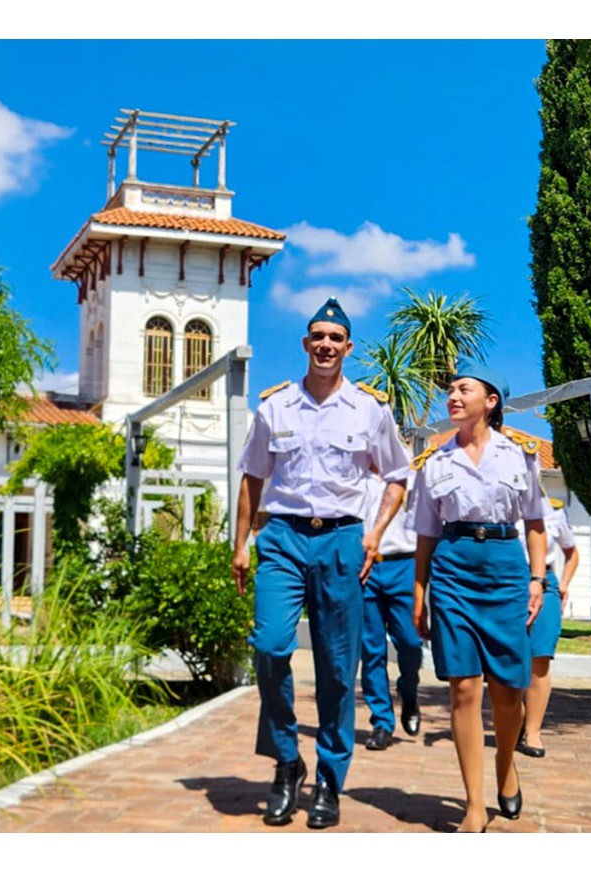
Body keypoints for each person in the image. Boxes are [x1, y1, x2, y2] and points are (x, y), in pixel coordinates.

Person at [232, 297, 411, 829]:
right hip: (283, 537)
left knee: (338, 667)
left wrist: (375, 535)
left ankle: (330, 779)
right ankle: (288, 760)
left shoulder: (370, 410)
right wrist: (241, 544)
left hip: (342, 541)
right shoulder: (275, 407)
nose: (326, 345)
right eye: (318, 336)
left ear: (348, 347)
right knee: (269, 646)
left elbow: (397, 476)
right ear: (306, 344)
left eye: (336, 338)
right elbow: (251, 479)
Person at [410, 359, 548, 833]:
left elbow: (534, 524)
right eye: (450, 389)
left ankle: (506, 766)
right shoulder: (434, 462)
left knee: (509, 689)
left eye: (463, 389)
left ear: (490, 402)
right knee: (464, 688)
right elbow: (426, 534)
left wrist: (537, 580)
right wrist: (419, 591)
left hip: (506, 570)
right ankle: (473, 804)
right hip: (452, 568)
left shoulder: (520, 455)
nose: (453, 396)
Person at [359, 470, 424, 752]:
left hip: (404, 565)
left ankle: (409, 695)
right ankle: (382, 721)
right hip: (364, 567)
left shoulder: (410, 474)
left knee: (410, 642)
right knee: (371, 649)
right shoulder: (353, 473)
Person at [516, 495, 580, 758]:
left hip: (545, 583)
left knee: (540, 658)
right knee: (510, 659)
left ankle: (533, 731)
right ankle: (515, 721)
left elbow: (572, 552)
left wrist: (563, 584)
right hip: (508, 583)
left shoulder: (553, 509)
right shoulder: (497, 506)